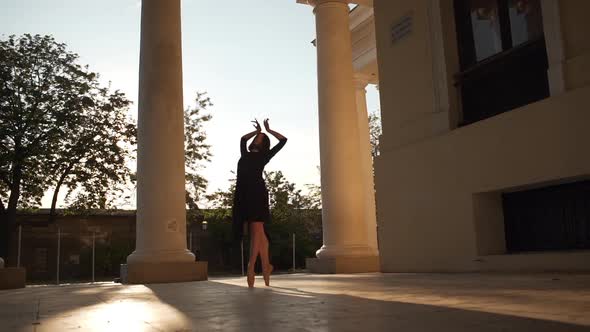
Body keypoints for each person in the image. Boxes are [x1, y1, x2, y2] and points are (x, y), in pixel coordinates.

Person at [233, 119, 287, 288]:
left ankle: (251, 267)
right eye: (257, 137)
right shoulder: (244, 153)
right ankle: (266, 265)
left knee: (256, 229)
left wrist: (268, 130)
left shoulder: (265, 155)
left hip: (257, 193)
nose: (257, 138)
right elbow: (242, 139)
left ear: (264, 143)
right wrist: (256, 131)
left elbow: (283, 140)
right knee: (259, 231)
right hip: (243, 193)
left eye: (260, 137)